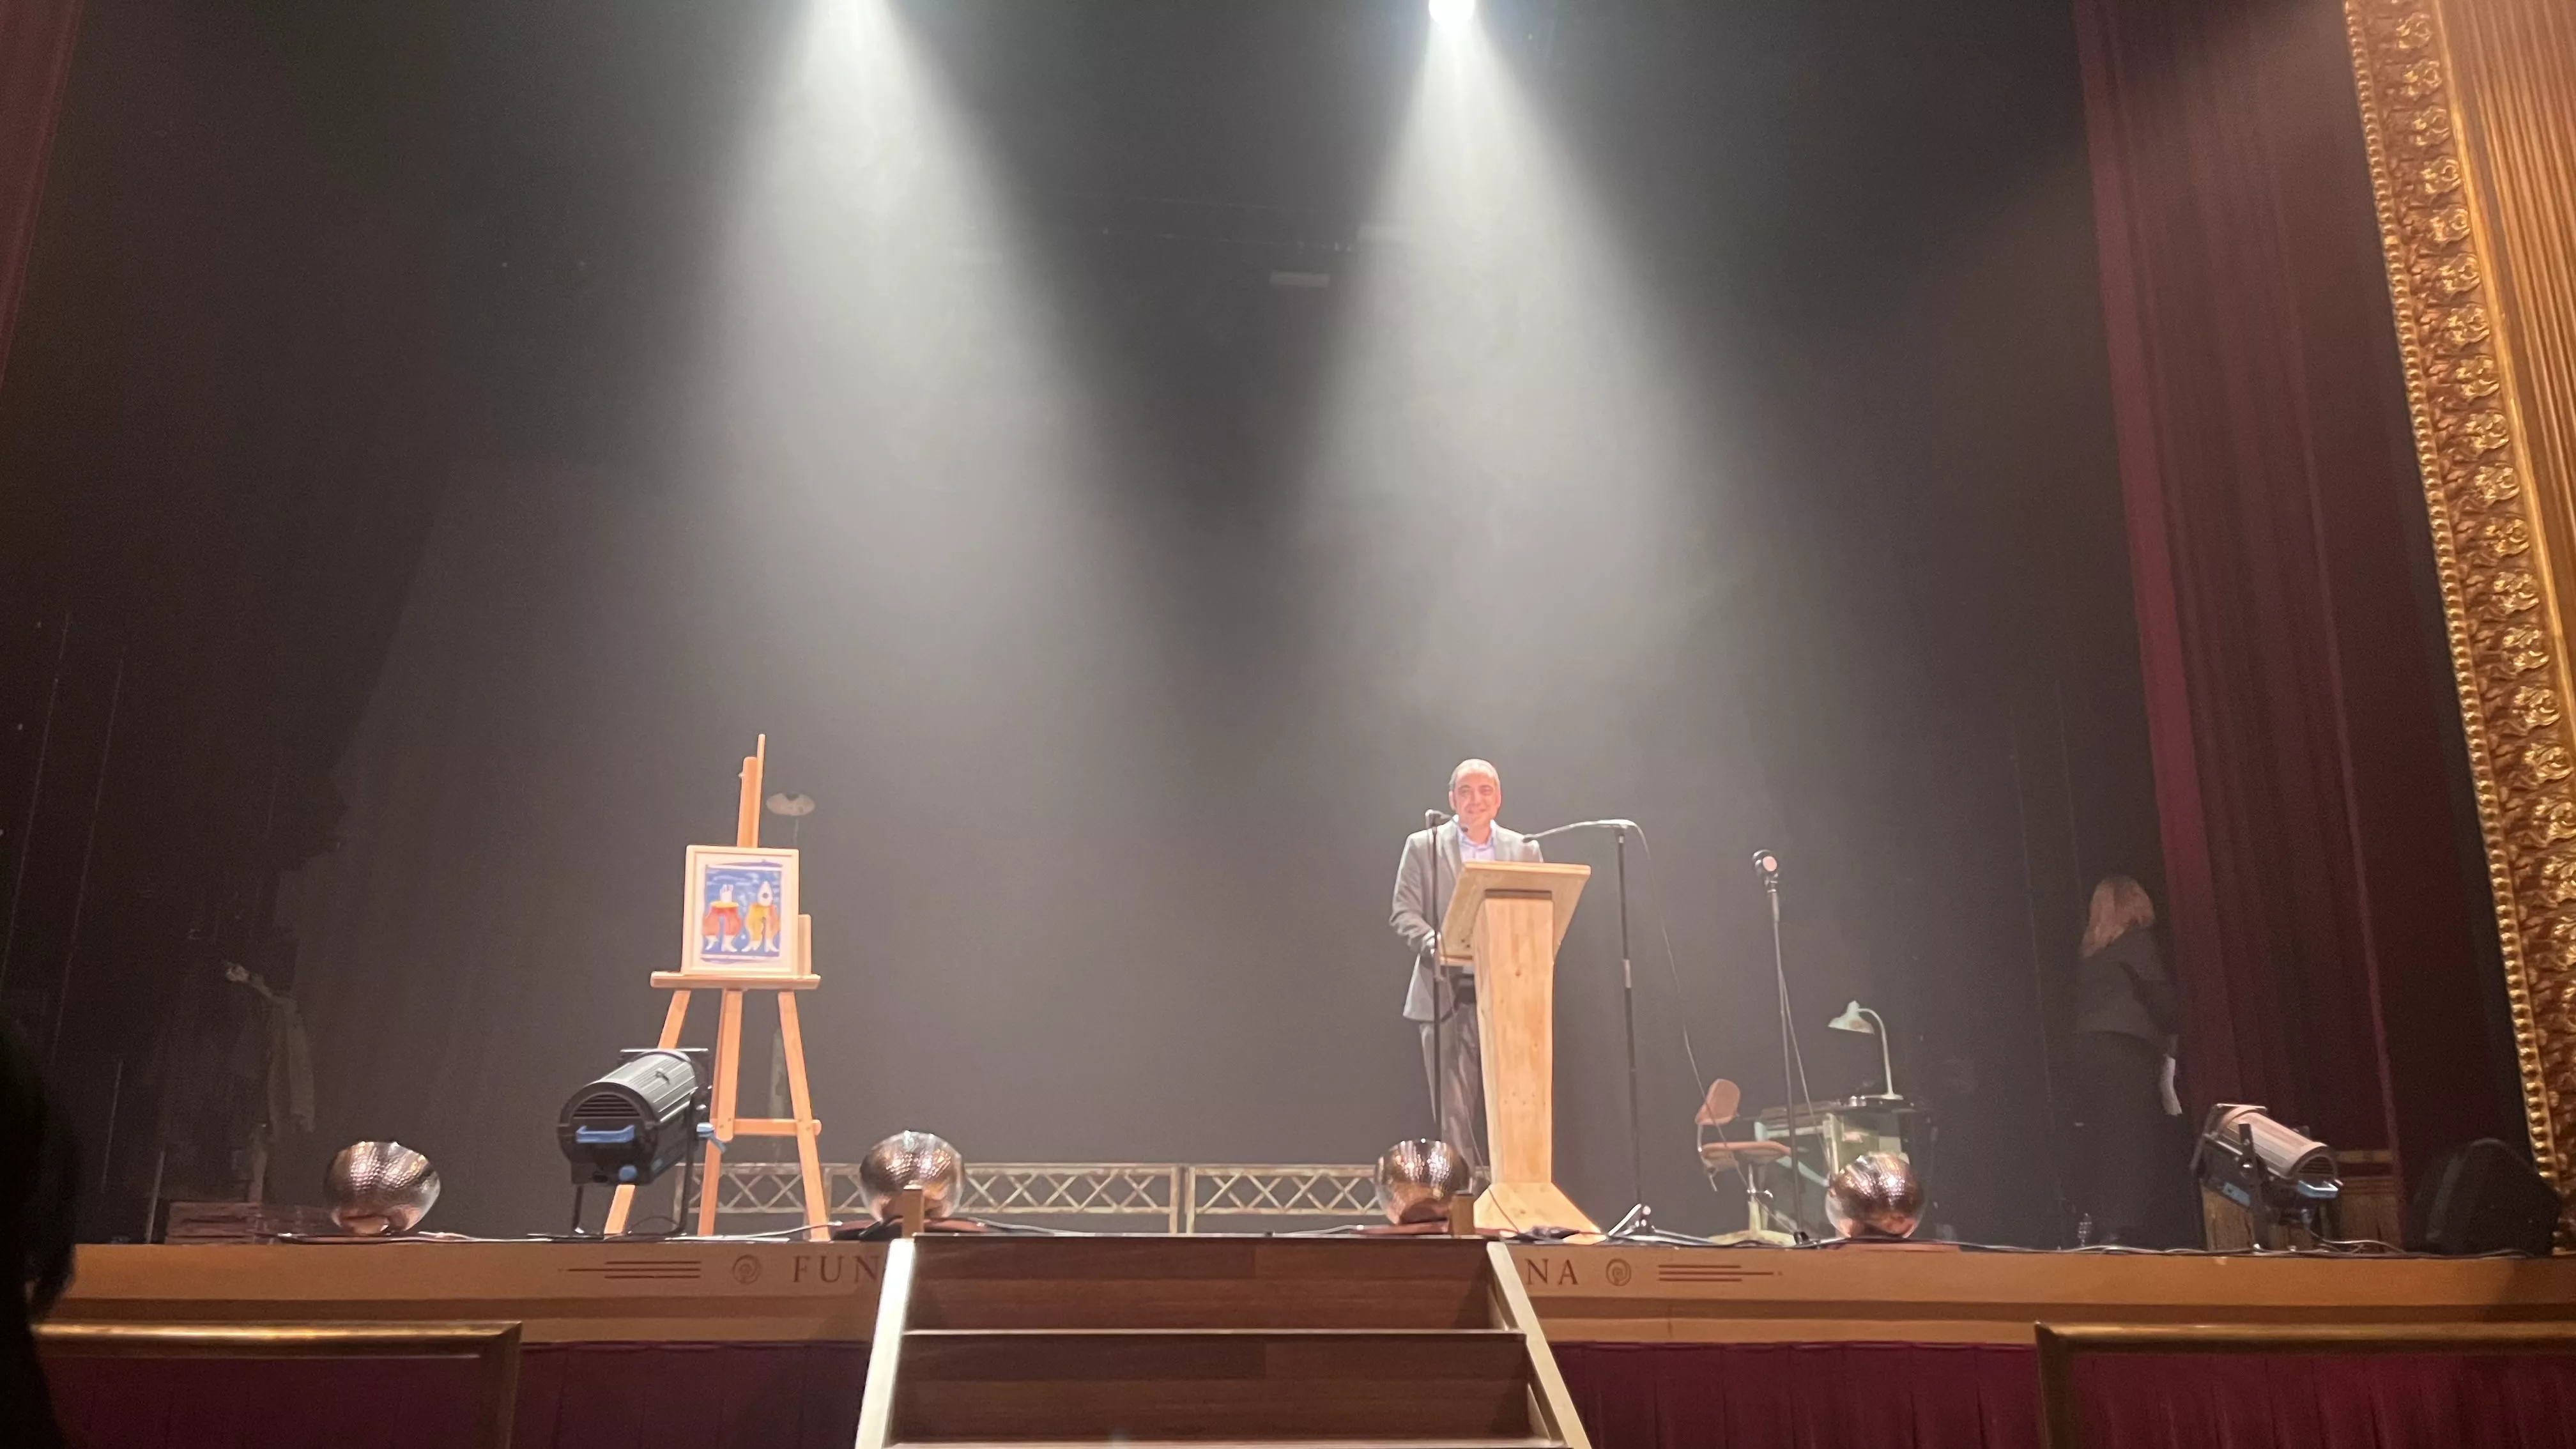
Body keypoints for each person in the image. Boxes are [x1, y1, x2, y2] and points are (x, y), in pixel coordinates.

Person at [1390, 758, 1543, 1165]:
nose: (1476, 800)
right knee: (1455, 1113)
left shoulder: (1524, 848)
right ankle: (1464, 1209)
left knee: (1514, 1107)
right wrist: (1431, 940)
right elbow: (1404, 911)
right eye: (1466, 791)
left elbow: (1540, 910)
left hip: (1506, 993)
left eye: (1485, 791)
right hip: (1443, 992)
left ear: (1499, 798)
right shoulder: (1423, 845)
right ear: (1451, 799)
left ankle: (1513, 1197)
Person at [2073, 874, 2181, 1245]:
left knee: (2106, 1139)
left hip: (2089, 1050)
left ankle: (2101, 1224)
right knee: (2132, 1141)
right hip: (2126, 1050)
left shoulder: (2093, 954)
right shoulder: (2137, 943)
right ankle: (2123, 1231)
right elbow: (2160, 998)